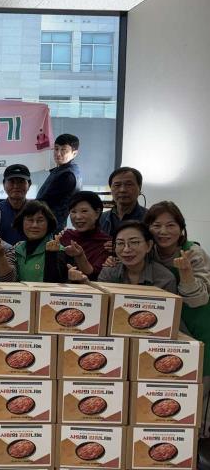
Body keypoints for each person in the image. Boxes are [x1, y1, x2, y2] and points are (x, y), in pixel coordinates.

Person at [145, 201, 210, 433]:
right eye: (156, 225)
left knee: (197, 387)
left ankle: (196, 439)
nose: (163, 231)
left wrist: (186, 273)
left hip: (196, 323)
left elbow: (199, 299)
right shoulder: (148, 250)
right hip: (163, 327)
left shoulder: (193, 253)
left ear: (181, 228)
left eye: (171, 225)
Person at [72, 221, 177, 293]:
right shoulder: (109, 272)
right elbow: (102, 304)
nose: (126, 249)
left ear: (149, 245)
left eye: (134, 242)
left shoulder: (165, 279)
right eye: (120, 243)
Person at [12, 200, 70, 282]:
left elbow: (57, 284)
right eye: (30, 220)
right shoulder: (17, 249)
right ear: (21, 222)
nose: (34, 225)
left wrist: (51, 256)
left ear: (48, 224)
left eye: (40, 220)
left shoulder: (58, 250)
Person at [60, 191, 111, 280]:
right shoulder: (65, 236)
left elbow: (94, 275)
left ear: (97, 213)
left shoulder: (107, 244)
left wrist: (80, 256)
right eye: (73, 211)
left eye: (84, 211)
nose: (78, 217)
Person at [36, 133, 82, 231]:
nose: (58, 153)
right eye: (56, 149)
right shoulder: (64, 169)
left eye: (63, 150)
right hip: (49, 223)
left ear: (74, 153)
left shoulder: (67, 175)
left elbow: (45, 202)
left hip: (51, 226)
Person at [100, 166, 147, 237]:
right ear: (111, 189)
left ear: (139, 188)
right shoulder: (101, 218)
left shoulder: (149, 218)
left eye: (129, 184)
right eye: (117, 185)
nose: (122, 190)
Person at [0, 164, 31, 245]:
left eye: (21, 181)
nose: (16, 186)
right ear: (4, 184)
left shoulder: (38, 210)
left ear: (29, 184)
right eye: (12, 181)